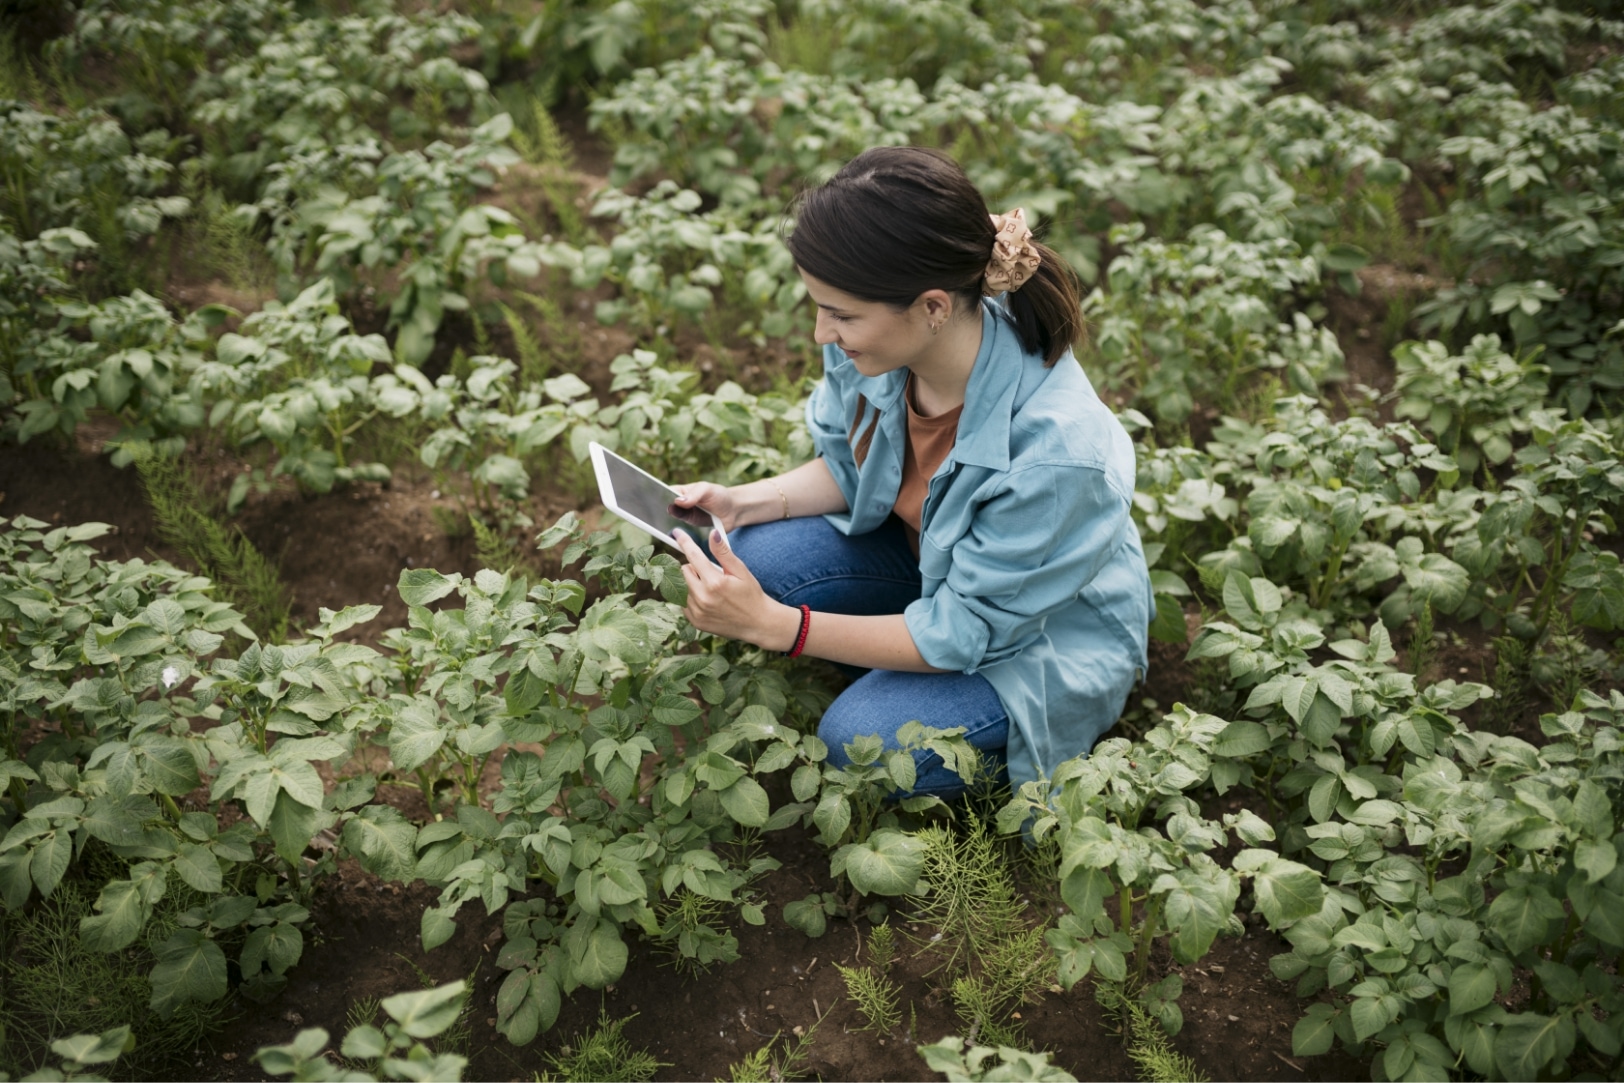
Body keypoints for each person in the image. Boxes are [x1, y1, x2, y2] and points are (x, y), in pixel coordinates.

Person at [668, 146, 1152, 798]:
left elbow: (965, 631)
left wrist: (778, 628)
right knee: (754, 555)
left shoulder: (1058, 453)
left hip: (1039, 638)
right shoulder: (886, 347)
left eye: (840, 314)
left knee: (859, 744)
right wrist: (741, 502)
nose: (821, 333)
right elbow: (856, 464)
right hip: (935, 570)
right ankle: (886, 644)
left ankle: (1012, 749)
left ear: (931, 307)